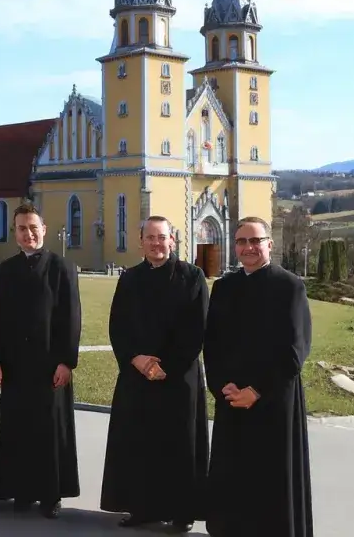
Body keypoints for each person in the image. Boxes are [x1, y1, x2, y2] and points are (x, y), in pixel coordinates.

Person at [203, 216, 314, 537]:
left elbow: (295, 350)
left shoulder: (289, 286)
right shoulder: (224, 287)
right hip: (231, 398)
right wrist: (221, 386)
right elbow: (212, 344)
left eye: (255, 241)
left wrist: (257, 390)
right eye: (242, 241)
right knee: (233, 476)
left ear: (269, 244)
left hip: (273, 399)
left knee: (271, 479)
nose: (248, 248)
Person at [99, 215, 209, 532]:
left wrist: (164, 366)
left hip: (179, 377)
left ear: (172, 240)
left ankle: (181, 512)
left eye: (162, 237)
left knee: (178, 446)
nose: (156, 243)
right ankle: (141, 508)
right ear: (141, 241)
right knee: (139, 444)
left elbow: (197, 329)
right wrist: (136, 359)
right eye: (150, 237)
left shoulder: (192, 276)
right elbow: (118, 325)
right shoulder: (130, 278)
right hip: (138, 376)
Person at [0, 202, 81, 519]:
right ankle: (21, 490)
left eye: (32, 227)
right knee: (18, 428)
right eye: (21, 228)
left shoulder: (62, 267)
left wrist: (66, 362)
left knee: (49, 431)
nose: (28, 233)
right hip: (15, 365)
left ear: (44, 229)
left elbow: (72, 317)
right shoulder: (7, 269)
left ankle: (50, 494)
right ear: (15, 233)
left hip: (50, 365)